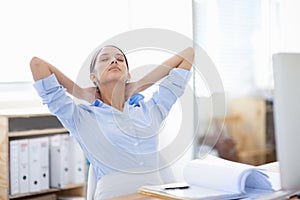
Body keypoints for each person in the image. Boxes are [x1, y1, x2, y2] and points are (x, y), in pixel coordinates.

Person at [30, 45, 194, 199]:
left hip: (155, 194)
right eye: (104, 59)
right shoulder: (82, 117)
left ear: (128, 75)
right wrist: (80, 93)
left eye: (120, 59)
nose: (114, 61)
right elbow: (37, 65)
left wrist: (138, 85)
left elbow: (187, 55)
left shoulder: (150, 110)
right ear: (93, 77)